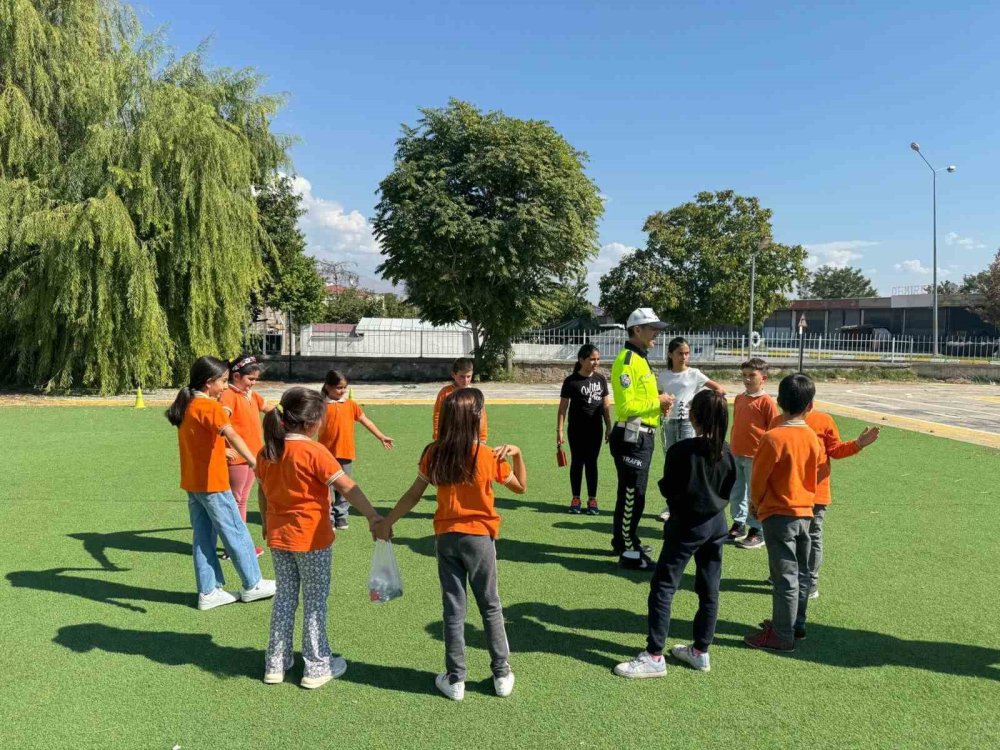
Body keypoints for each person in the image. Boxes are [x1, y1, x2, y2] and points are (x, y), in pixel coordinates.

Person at [377, 388, 526, 701]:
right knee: (490, 605)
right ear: (475, 419)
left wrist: (387, 521)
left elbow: (414, 494)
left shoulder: (434, 453)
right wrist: (518, 454)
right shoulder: (488, 456)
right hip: (481, 539)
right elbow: (521, 487)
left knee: (453, 609)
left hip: (447, 539)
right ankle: (501, 673)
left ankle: (456, 679)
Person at [256, 387, 384, 689]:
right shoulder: (314, 452)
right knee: (314, 602)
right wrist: (373, 516)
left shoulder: (267, 451)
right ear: (312, 421)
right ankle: (316, 666)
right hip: (311, 539)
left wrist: (265, 524)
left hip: (278, 535)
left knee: (285, 598)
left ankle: (275, 663)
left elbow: (261, 492)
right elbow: (347, 487)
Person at [614, 390, 736, 678]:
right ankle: (700, 651)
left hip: (686, 526)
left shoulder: (682, 451)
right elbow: (728, 488)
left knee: (664, 587)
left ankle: (654, 655)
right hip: (716, 525)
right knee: (709, 589)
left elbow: (670, 488)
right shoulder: (728, 451)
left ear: (695, 417)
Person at [164, 356, 276, 611]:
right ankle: (253, 583)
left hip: (193, 483)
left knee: (203, 537)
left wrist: (219, 452)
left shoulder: (188, 404)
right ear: (208, 383)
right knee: (236, 531)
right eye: (223, 381)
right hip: (212, 483)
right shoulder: (211, 407)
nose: (225, 387)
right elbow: (231, 433)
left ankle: (209, 591)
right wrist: (254, 463)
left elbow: (199, 439)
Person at [744, 374, 822, 652]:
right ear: (810, 405)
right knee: (801, 574)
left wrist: (754, 503)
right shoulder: (813, 437)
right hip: (805, 512)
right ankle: (794, 625)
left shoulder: (773, 437)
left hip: (779, 514)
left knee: (784, 578)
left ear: (779, 402)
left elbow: (759, 478)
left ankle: (781, 635)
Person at [769, 406, 880, 600]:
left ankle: (809, 583)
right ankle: (783, 575)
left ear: (810, 403)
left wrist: (858, 444)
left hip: (815, 495)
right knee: (785, 535)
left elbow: (835, 450)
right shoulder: (777, 422)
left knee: (812, 536)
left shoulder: (823, 420)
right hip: (785, 495)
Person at [609, 308, 675, 570]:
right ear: (637, 330)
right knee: (631, 494)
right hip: (631, 436)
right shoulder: (627, 361)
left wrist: (657, 406)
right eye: (652, 328)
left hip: (640, 435)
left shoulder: (640, 358)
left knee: (635, 494)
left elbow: (642, 401)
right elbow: (626, 406)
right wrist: (656, 401)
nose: (657, 333)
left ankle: (626, 539)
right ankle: (626, 549)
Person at [656, 337, 726, 522]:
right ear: (670, 354)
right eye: (680, 353)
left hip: (688, 423)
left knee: (689, 462)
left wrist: (699, 404)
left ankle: (688, 502)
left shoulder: (694, 374)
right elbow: (658, 396)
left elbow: (719, 389)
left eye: (687, 353)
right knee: (672, 462)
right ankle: (672, 504)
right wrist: (662, 404)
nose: (684, 357)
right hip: (669, 423)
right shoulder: (663, 376)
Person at [318, 370, 395, 530]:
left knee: (344, 486)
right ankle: (329, 517)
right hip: (326, 454)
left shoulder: (351, 405)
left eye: (344, 387)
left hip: (345, 452)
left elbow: (365, 420)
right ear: (328, 387)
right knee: (327, 488)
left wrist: (381, 436)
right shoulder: (320, 406)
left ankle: (342, 517)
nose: (342, 391)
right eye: (339, 388)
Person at [219, 354, 274, 558]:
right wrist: (222, 448)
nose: (253, 383)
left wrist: (292, 413)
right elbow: (219, 424)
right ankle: (236, 548)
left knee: (241, 501)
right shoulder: (228, 396)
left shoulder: (250, 395)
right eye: (250, 379)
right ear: (236, 376)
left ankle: (237, 546)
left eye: (255, 379)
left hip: (253, 457)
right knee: (236, 501)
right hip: (238, 459)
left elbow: (270, 409)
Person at [727, 357, 779, 550]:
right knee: (737, 491)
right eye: (744, 375)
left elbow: (775, 431)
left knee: (755, 495)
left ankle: (757, 530)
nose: (747, 379)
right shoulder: (740, 398)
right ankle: (738, 524)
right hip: (736, 453)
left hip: (755, 456)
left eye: (752, 375)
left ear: (763, 378)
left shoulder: (767, 402)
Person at [557, 344, 612, 515]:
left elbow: (606, 406)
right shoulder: (571, 381)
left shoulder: (601, 379)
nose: (596, 362)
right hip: (576, 430)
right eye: (592, 359)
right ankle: (575, 498)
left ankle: (592, 499)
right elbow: (563, 408)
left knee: (592, 463)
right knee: (577, 462)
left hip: (595, 429)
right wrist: (559, 431)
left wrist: (609, 427)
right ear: (582, 360)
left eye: (598, 359)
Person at [433, 357, 488, 442]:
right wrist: (437, 436)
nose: (465, 380)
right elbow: (438, 415)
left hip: (471, 439)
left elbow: (481, 417)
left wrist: (482, 438)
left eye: (468, 376)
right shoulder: (445, 393)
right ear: (453, 374)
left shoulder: (475, 395)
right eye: (462, 376)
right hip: (449, 439)